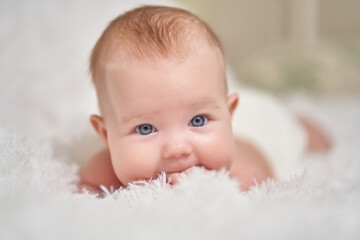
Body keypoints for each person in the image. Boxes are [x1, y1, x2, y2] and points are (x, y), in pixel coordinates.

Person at [78, 5, 331, 194]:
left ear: (229, 114)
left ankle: (302, 121)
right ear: (106, 134)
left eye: (198, 121)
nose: (178, 148)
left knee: (305, 134)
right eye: (146, 128)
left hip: (265, 123)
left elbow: (261, 196)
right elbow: (82, 195)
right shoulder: (103, 170)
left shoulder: (242, 172)